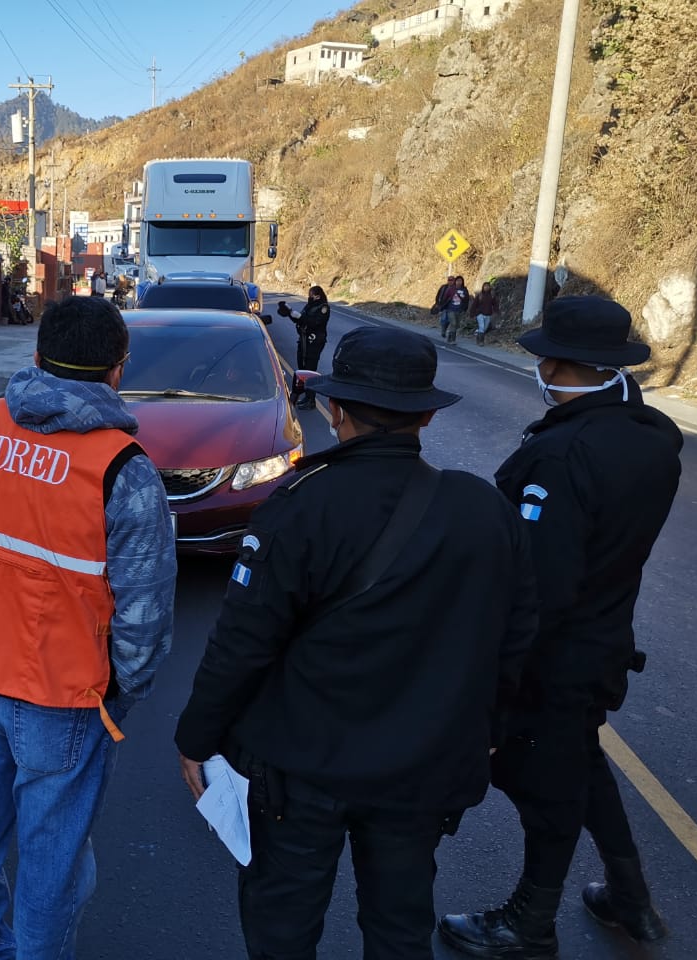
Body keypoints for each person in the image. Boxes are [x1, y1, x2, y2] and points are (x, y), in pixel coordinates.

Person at [175, 326, 538, 960]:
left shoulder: (299, 506)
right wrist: (487, 730)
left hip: (300, 766)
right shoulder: (483, 510)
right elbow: (515, 638)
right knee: (399, 929)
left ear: (334, 409)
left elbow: (243, 642)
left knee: (282, 926)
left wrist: (196, 740)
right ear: (426, 414)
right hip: (419, 770)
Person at [0, 294, 176, 960]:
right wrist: (123, 690)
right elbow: (144, 616)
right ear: (119, 370)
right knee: (50, 862)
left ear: (35, 359)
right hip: (63, 697)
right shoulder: (125, 470)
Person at [439, 296, 683, 960]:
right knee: (581, 764)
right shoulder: (656, 437)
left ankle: (529, 921)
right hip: (604, 639)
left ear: (573, 367)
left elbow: (538, 585)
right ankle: (630, 898)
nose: (540, 367)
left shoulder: (562, 454)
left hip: (552, 658)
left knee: (546, 790)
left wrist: (496, 673)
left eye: (550, 359)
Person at [276, 284, 330, 409]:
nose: (310, 297)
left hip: (314, 342)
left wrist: (300, 317)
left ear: (318, 295)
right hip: (304, 340)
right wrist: (289, 312)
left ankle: (311, 400)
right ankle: (306, 396)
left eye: (312, 294)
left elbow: (315, 322)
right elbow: (301, 319)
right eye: (309, 294)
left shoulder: (323, 308)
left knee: (309, 370)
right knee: (302, 368)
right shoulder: (310, 306)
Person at [470, 280, 498, 346]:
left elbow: (495, 304)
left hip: (488, 314)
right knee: (482, 327)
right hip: (480, 314)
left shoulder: (492, 296)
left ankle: (478, 337)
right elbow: (474, 305)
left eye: (488, 286)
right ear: (483, 287)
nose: (486, 287)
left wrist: (496, 311)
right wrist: (472, 313)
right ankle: (481, 341)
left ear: (489, 287)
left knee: (484, 328)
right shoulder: (480, 295)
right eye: (485, 286)